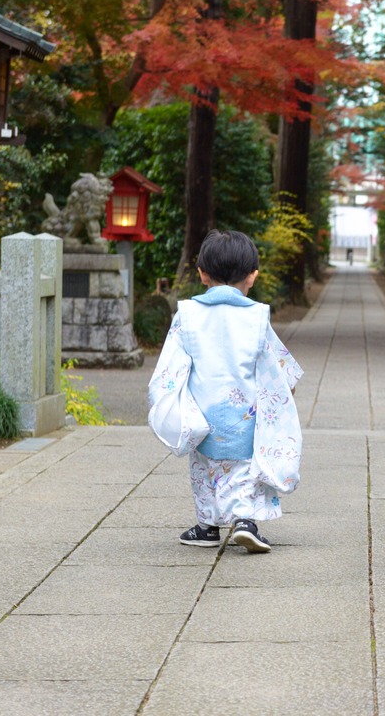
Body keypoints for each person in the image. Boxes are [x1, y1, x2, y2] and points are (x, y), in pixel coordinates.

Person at [148, 229, 304, 554]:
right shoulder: (256, 316)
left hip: (201, 414)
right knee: (243, 470)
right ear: (252, 276)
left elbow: (170, 368)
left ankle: (207, 527)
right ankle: (245, 522)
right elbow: (275, 367)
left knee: (204, 470)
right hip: (245, 414)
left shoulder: (186, 315)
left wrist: (168, 401)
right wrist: (285, 391)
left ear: (202, 273)